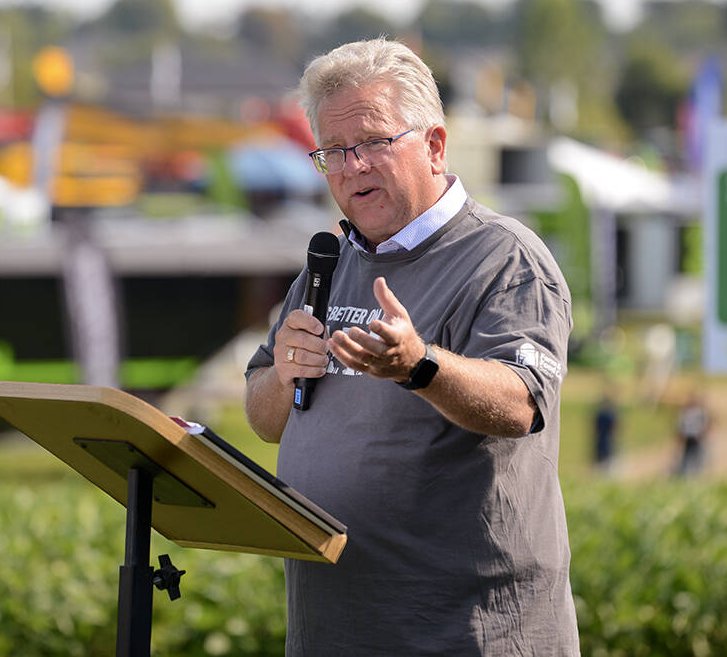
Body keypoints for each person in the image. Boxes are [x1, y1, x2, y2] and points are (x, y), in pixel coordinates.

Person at [244, 38, 579, 656]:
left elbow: (523, 404)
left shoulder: (506, 259)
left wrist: (418, 366)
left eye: (373, 142)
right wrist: (281, 372)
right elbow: (266, 418)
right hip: (333, 633)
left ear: (433, 145)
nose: (352, 167)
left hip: (464, 635)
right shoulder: (328, 264)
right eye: (334, 152)